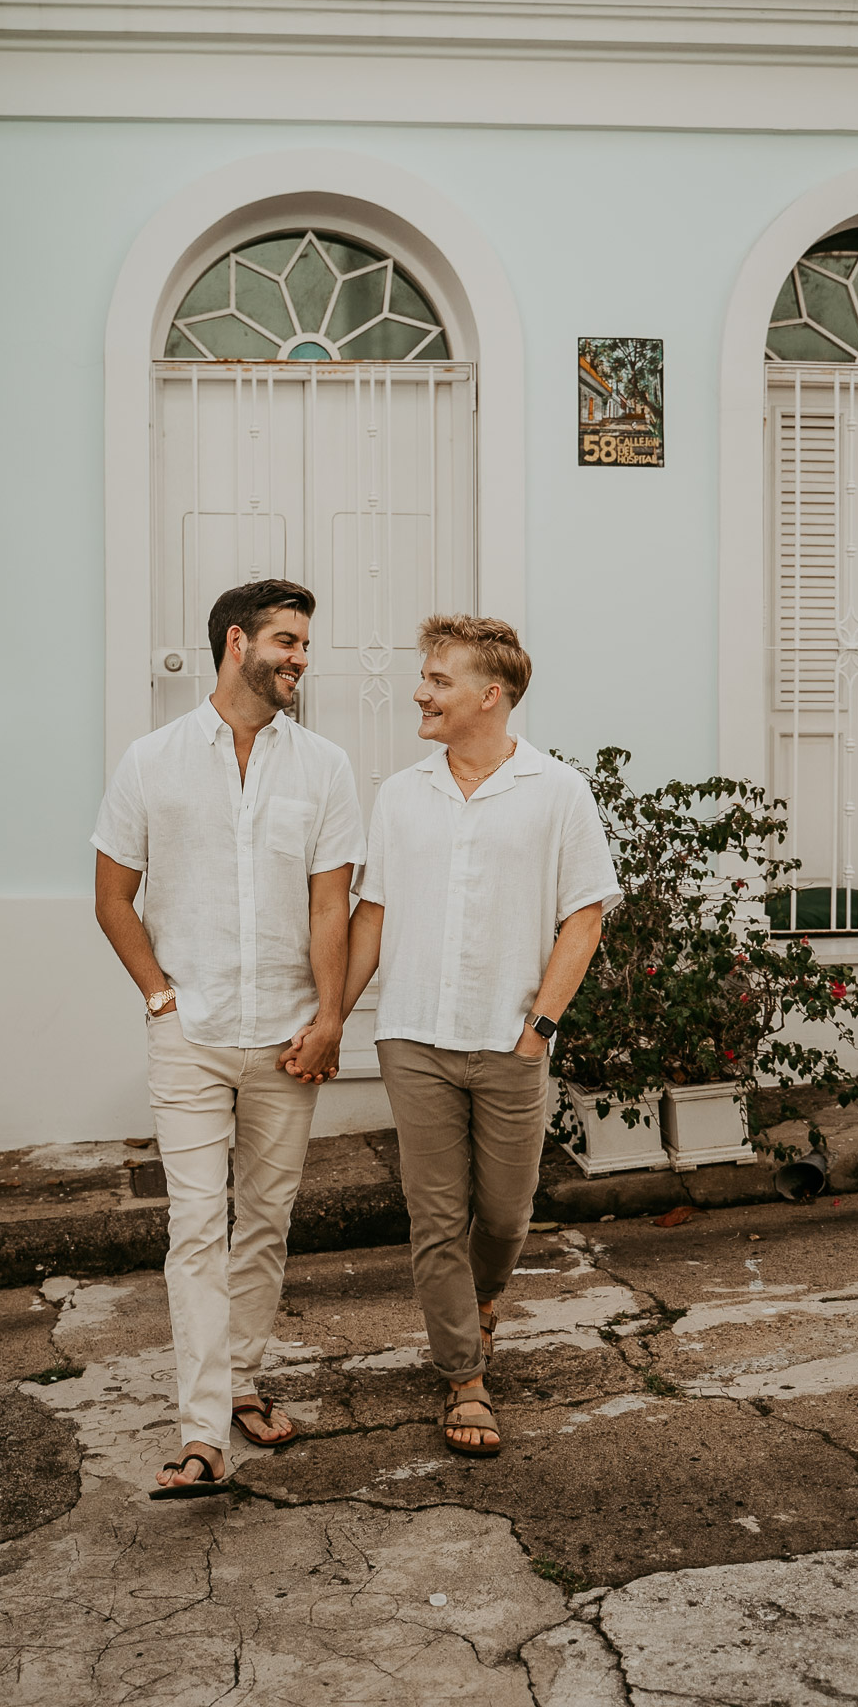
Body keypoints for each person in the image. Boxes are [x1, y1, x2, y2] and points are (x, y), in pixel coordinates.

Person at [283, 614, 619, 1456]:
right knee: (434, 1217)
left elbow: (583, 918)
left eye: (437, 680)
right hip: (415, 1039)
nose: (419, 693)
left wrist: (539, 1028)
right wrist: (334, 1019)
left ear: (489, 695)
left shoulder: (557, 790)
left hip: (511, 1041)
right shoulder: (402, 794)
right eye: (423, 678)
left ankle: (482, 1299)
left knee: (504, 1217)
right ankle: (464, 1379)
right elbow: (374, 914)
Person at [93, 578, 364, 1497]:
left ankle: (243, 1379)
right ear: (236, 641)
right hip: (193, 1034)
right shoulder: (151, 760)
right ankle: (202, 1431)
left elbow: (332, 904)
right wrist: (162, 998)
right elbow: (111, 896)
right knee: (197, 1226)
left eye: (304, 645)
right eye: (287, 641)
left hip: (289, 1033)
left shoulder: (323, 766)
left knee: (268, 1224)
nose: (299, 658)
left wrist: (330, 1019)